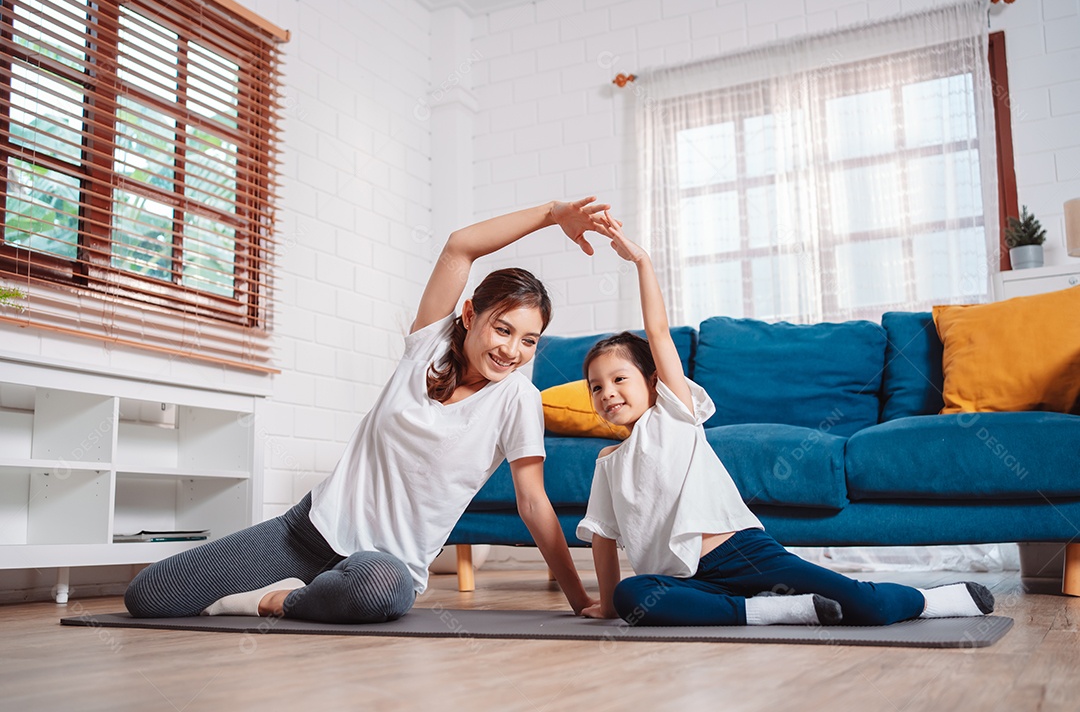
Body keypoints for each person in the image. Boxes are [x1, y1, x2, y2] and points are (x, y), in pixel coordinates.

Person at [124, 198, 610, 622]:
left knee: (378, 589)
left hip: (383, 563)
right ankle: (311, 594)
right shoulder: (430, 344)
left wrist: (578, 599)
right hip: (308, 531)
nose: (513, 351)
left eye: (529, 340)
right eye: (503, 329)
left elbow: (533, 503)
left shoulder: (517, 399)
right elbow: (460, 245)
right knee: (148, 595)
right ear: (468, 316)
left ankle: (273, 604)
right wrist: (551, 213)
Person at [577, 217, 995, 627]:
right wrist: (610, 604)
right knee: (631, 596)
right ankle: (764, 612)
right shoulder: (608, 462)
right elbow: (604, 537)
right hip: (684, 584)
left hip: (740, 554)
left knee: (866, 609)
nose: (607, 393)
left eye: (618, 379)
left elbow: (660, 333)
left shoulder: (673, 414)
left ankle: (931, 601)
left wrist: (642, 263)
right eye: (595, 387)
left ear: (653, 382)